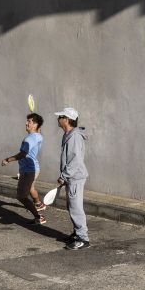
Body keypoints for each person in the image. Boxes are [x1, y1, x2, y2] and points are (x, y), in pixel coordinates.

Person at [54, 107, 90, 250]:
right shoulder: (69, 134)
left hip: (75, 177)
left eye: (60, 117)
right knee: (71, 206)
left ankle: (83, 238)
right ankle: (77, 232)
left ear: (67, 119)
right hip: (72, 176)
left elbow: (75, 160)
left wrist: (64, 176)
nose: (58, 119)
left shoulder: (74, 136)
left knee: (75, 208)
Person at [2, 113, 46, 224]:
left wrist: (8, 160)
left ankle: (39, 216)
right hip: (29, 169)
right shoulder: (38, 136)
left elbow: (22, 154)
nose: (26, 123)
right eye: (27, 121)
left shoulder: (30, 139)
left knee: (22, 196)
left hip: (28, 170)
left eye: (29, 121)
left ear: (35, 125)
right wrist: (38, 124)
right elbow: (38, 131)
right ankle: (38, 204)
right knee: (27, 190)